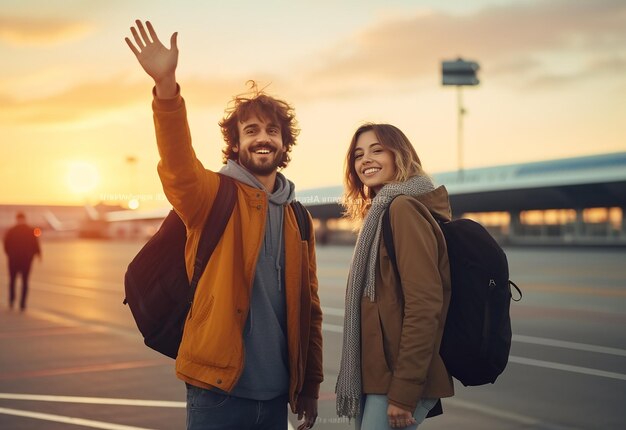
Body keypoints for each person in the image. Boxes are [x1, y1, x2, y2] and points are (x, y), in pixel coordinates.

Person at [125, 20, 322, 430]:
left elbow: (310, 311)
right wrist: (166, 89)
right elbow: (178, 165)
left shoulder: (297, 217)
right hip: (218, 392)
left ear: (285, 144)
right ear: (236, 143)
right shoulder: (213, 195)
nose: (262, 138)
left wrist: (309, 386)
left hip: (276, 397)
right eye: (251, 130)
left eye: (272, 131)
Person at [335, 124, 454, 429]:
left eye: (377, 150)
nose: (366, 160)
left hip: (399, 381)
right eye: (358, 155)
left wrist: (403, 392)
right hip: (379, 376)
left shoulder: (403, 209)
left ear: (399, 155)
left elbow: (425, 305)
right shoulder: (380, 213)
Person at [3, 212, 41, 311]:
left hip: (18, 260)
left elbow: (35, 243)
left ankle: (19, 302)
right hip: (21, 260)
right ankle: (17, 301)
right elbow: (6, 244)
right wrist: (36, 254)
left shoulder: (14, 230)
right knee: (17, 281)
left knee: (18, 281)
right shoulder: (25, 230)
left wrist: (37, 254)